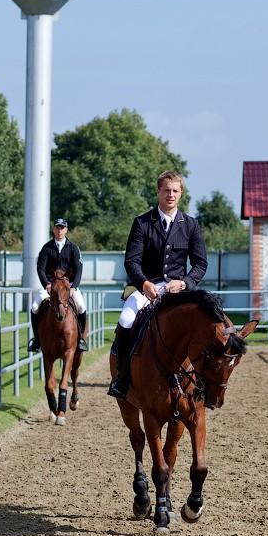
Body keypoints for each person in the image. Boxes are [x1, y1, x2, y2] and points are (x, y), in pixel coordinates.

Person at [107, 171, 209, 399]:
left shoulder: (191, 225)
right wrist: (143, 284)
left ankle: (203, 380)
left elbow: (201, 264)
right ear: (158, 192)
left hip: (178, 290)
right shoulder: (142, 223)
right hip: (147, 287)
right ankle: (122, 377)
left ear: (181, 194)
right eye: (166, 190)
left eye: (175, 190)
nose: (170, 194)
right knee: (126, 319)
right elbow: (131, 260)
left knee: (204, 322)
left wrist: (184, 283)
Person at [27, 218, 88, 353]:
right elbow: (40, 268)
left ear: (66, 230)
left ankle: (81, 339)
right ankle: (37, 340)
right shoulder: (46, 248)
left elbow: (79, 269)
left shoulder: (73, 248)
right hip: (51, 286)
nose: (59, 230)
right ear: (54, 229)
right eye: (57, 227)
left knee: (82, 307)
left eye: (62, 228)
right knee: (35, 307)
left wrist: (74, 287)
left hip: (69, 287)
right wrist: (46, 284)